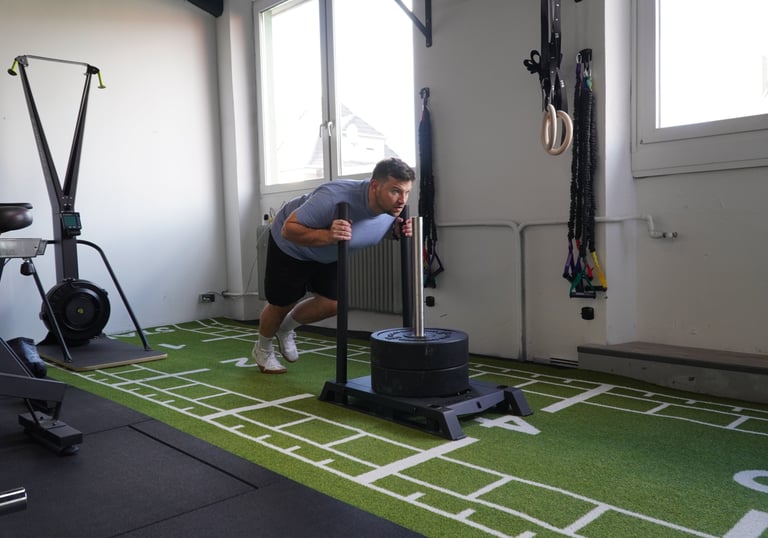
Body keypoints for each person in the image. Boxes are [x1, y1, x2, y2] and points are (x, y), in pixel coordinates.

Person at [253, 157, 415, 373]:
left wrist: (395, 232)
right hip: (291, 246)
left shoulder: (391, 211)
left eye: (406, 192)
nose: (402, 199)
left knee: (333, 304)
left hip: (327, 253)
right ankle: (262, 349)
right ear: (375, 186)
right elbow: (289, 229)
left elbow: (369, 229)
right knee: (282, 304)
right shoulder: (334, 195)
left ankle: (285, 329)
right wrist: (329, 235)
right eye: (395, 191)